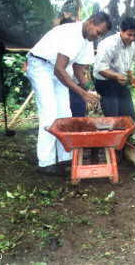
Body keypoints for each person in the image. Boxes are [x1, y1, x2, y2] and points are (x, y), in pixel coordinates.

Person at [26, 11, 112, 176]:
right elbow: (59, 70)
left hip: (59, 69)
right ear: (91, 22)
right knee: (49, 113)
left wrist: (88, 91)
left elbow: (79, 69)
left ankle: (65, 158)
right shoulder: (72, 33)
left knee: (65, 114)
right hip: (40, 64)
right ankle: (46, 162)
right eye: (98, 32)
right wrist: (81, 93)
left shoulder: (87, 41)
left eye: (101, 35)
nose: (97, 36)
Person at [93, 16, 135, 122]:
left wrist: (131, 77)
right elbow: (100, 68)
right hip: (105, 83)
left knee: (129, 118)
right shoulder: (108, 45)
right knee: (113, 118)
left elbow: (129, 66)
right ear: (121, 31)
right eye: (129, 34)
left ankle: (126, 137)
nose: (132, 38)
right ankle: (113, 136)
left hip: (121, 82)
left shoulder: (133, 46)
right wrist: (116, 76)